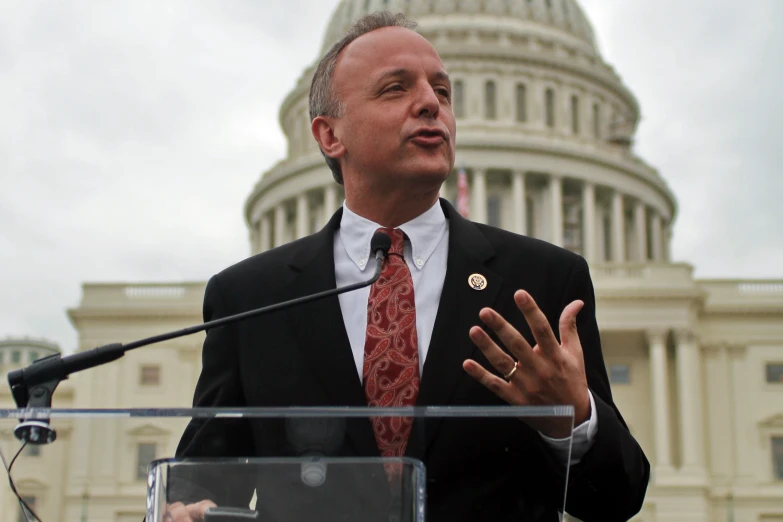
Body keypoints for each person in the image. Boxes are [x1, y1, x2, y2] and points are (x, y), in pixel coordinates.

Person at [168, 12, 649, 522]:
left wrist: (572, 422)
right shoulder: (251, 299)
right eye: (396, 88)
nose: (430, 104)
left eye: (442, 91)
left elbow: (616, 498)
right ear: (330, 135)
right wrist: (187, 508)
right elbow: (205, 477)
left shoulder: (543, 283)